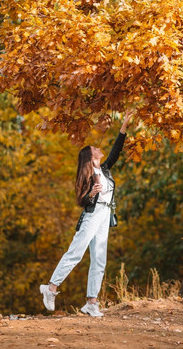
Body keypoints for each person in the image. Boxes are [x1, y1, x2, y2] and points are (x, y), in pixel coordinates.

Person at [40, 109, 133, 317]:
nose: (98, 148)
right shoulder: (87, 176)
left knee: (100, 259)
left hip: (104, 216)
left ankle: (92, 303)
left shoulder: (105, 169)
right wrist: (91, 192)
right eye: (94, 148)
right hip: (91, 216)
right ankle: (51, 288)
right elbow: (81, 201)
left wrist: (124, 125)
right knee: (76, 254)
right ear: (89, 157)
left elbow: (116, 150)